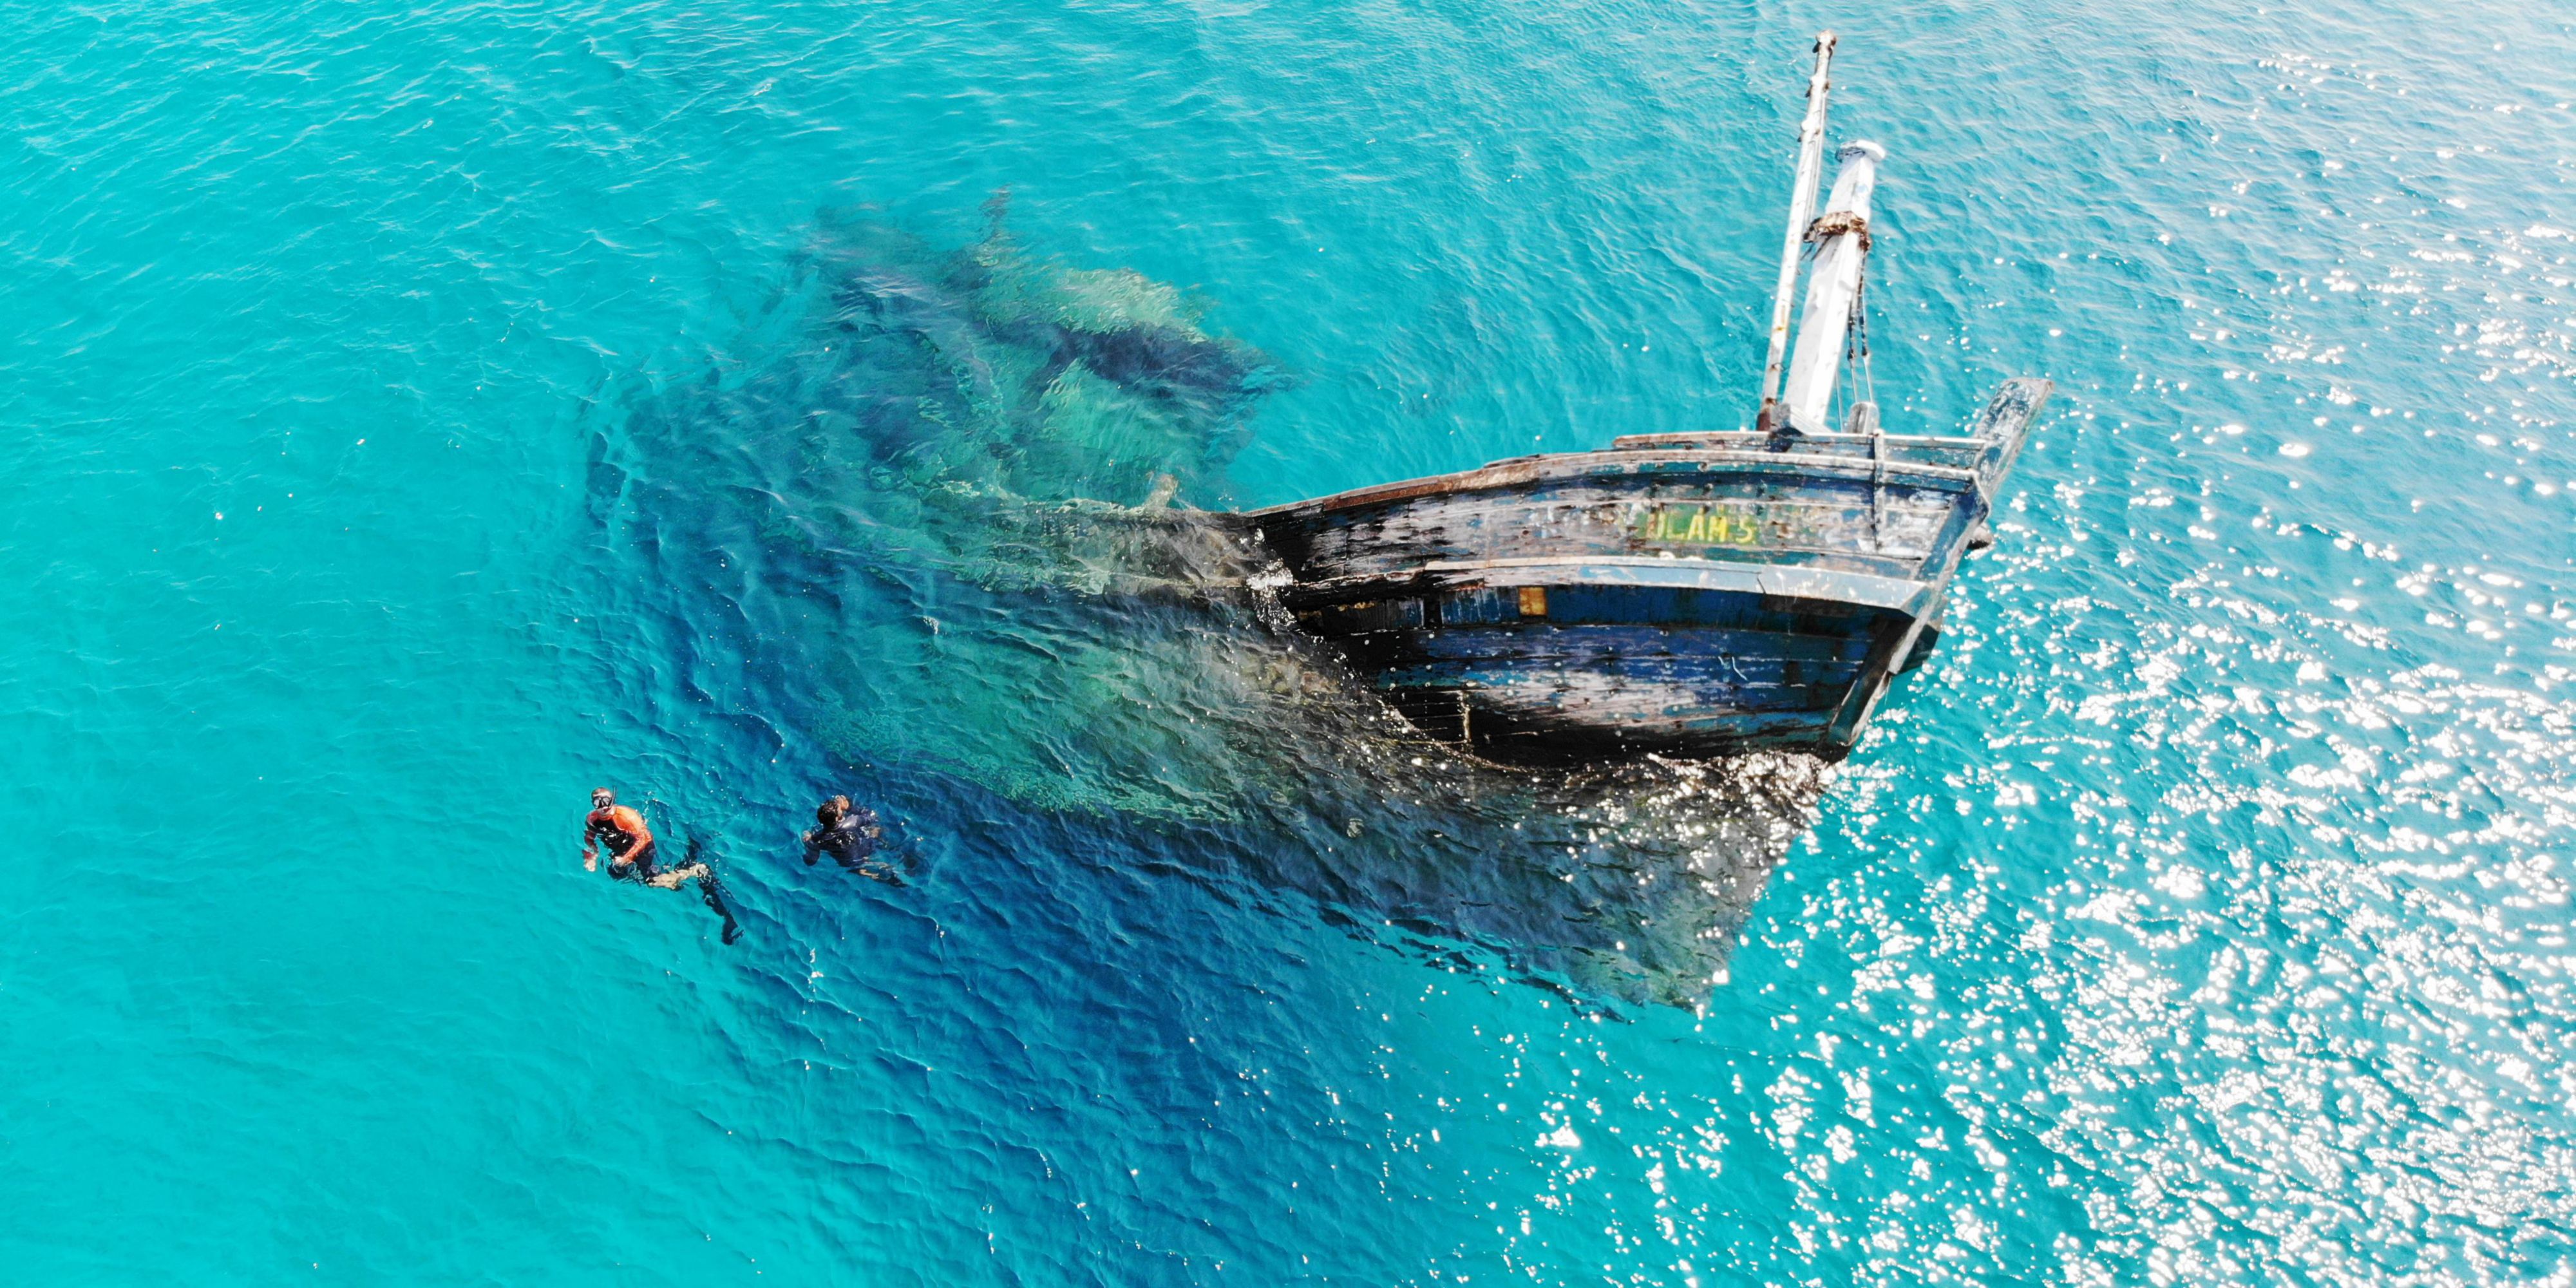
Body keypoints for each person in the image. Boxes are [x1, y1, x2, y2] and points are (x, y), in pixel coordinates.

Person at [583, 788, 741, 943]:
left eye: (606, 801)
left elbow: (644, 838)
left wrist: (627, 858)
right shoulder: (592, 819)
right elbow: (590, 837)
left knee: (652, 882)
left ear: (613, 800)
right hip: (622, 847)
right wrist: (593, 855)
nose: (603, 806)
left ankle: (695, 870)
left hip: (643, 848)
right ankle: (670, 879)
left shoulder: (627, 817)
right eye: (598, 802)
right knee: (615, 873)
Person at [804, 795, 901, 884]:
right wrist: (849, 808)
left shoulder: (817, 840)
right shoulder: (852, 822)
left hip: (849, 862)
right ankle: (893, 862)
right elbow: (872, 816)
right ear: (838, 818)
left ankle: (868, 873)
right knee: (876, 829)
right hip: (868, 849)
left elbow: (811, 862)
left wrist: (807, 842)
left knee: (858, 866)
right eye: (840, 810)